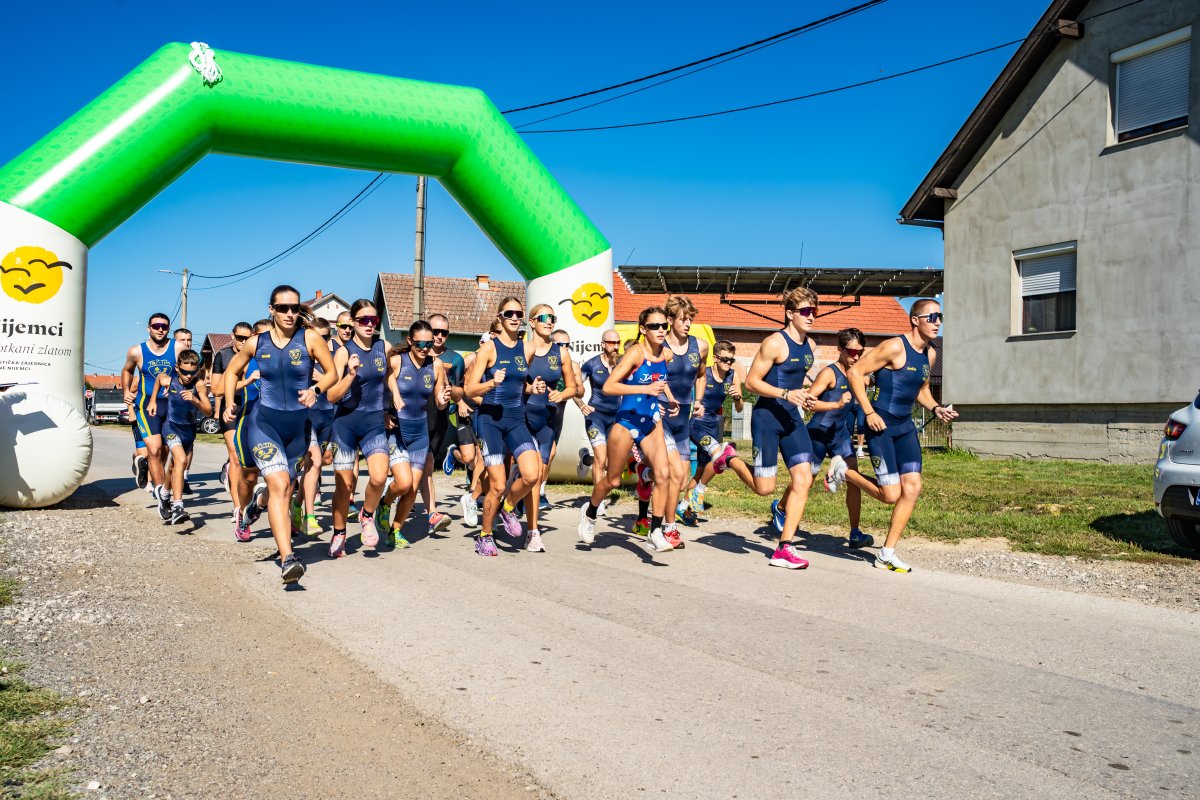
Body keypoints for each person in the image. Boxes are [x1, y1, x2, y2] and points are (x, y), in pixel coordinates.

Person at [827, 300, 957, 573]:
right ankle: (843, 470)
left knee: (912, 488)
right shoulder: (894, 347)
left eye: (940, 316)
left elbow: (921, 389)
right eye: (931, 316)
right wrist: (868, 411)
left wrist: (935, 407)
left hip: (905, 426)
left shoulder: (930, 354)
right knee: (889, 495)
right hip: (880, 425)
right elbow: (855, 372)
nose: (937, 322)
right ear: (914, 320)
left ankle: (886, 553)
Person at [222, 286, 337, 584]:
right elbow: (231, 372)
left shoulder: (310, 337)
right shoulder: (255, 343)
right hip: (265, 425)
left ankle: (253, 509)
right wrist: (231, 401)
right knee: (280, 483)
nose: (289, 314)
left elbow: (332, 372)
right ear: (271, 309)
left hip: (297, 430)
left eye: (294, 308)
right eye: (283, 308)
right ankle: (288, 558)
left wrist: (316, 390)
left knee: (280, 491)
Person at [577, 307, 680, 553]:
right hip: (625, 423)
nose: (661, 330)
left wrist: (671, 398)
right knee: (612, 479)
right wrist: (645, 390)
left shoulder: (666, 353)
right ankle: (590, 512)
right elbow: (610, 387)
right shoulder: (635, 353)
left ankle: (655, 530)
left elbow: (659, 380)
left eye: (664, 325)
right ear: (643, 329)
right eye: (654, 326)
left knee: (664, 474)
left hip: (652, 421)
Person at [743, 287, 821, 570]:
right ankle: (729, 459)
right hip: (767, 418)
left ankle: (784, 547)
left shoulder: (811, 346)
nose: (811, 316)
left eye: (815, 311)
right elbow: (751, 382)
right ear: (790, 314)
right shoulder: (774, 343)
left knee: (804, 479)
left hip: (791, 417)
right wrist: (786, 393)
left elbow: (799, 378)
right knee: (765, 488)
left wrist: (807, 393)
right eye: (805, 311)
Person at [464, 297, 543, 556]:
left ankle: (508, 507)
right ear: (500, 317)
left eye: (518, 313)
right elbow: (469, 388)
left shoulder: (527, 348)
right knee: (497, 484)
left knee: (533, 474)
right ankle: (485, 535)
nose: (514, 317)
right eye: (509, 313)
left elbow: (520, 383)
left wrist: (533, 388)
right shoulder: (488, 349)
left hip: (516, 419)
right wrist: (490, 384)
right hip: (490, 421)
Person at [325, 300, 390, 557]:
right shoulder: (343, 352)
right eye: (363, 320)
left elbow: (395, 373)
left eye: (374, 320)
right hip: (345, 424)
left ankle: (367, 514)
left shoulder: (382, 347)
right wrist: (350, 374)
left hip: (374, 422)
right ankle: (339, 532)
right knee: (345, 484)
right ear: (352, 322)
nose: (369, 324)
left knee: (379, 476)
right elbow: (331, 396)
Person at [381, 320, 451, 546]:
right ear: (410, 341)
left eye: (428, 343)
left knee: (412, 487)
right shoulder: (396, 362)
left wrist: (442, 401)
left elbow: (440, 402)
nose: (424, 347)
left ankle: (396, 529)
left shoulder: (437, 365)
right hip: (398, 431)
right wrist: (384, 414)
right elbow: (376, 391)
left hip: (420, 432)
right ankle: (384, 503)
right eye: (419, 342)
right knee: (402, 483)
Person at [805, 328, 871, 548]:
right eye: (851, 352)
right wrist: (837, 404)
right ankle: (782, 509)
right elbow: (809, 402)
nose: (856, 356)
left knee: (854, 478)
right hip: (818, 432)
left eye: (860, 352)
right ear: (840, 349)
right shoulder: (829, 373)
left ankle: (855, 532)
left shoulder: (859, 375)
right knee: (805, 481)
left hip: (840, 435)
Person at [521, 307, 577, 551]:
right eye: (544, 318)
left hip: (548, 420)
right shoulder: (523, 349)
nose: (549, 322)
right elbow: (511, 382)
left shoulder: (561, 353)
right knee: (524, 475)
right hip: (521, 417)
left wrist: (561, 393)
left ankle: (532, 531)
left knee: (537, 475)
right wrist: (528, 389)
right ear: (532, 322)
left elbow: (573, 388)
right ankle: (508, 506)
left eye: (552, 318)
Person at [684, 340, 756, 514]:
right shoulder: (703, 374)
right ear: (715, 358)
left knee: (702, 471)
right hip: (697, 423)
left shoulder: (733, 376)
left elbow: (739, 408)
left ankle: (682, 508)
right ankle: (699, 491)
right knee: (719, 456)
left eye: (732, 360)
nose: (729, 363)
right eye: (725, 359)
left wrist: (738, 398)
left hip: (715, 425)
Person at [661, 296, 707, 543]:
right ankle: (668, 528)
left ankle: (662, 520)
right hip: (661, 414)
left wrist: (698, 401)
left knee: (679, 481)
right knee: (672, 473)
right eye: (683, 319)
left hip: (684, 417)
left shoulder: (699, 346)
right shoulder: (660, 346)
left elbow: (701, 376)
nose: (688, 324)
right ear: (670, 320)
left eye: (691, 319)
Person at [147, 348, 211, 525]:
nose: (188, 376)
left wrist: (196, 400)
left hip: (189, 431)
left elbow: (209, 411)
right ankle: (178, 507)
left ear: (197, 370)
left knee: (174, 465)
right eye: (184, 372)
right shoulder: (171, 381)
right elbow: (159, 378)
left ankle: (165, 494)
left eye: (192, 372)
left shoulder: (199, 385)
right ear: (177, 368)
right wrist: (153, 400)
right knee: (181, 460)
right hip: (171, 427)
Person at [121, 313, 177, 510]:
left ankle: (157, 481)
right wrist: (127, 392)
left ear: (168, 329)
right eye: (156, 326)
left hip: (171, 407)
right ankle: (163, 497)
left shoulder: (177, 347)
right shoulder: (137, 351)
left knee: (165, 451)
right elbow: (127, 370)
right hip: (147, 407)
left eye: (164, 326)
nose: (160, 329)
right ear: (149, 328)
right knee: (153, 450)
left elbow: (192, 369)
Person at [212, 321, 259, 536]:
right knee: (236, 458)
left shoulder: (257, 353)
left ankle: (242, 492)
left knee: (249, 461)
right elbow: (217, 388)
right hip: (231, 410)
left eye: (247, 338)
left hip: (252, 409)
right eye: (240, 338)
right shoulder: (223, 356)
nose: (243, 342)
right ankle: (238, 507)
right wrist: (246, 381)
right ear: (233, 336)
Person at [419, 312, 462, 535]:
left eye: (443, 332)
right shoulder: (413, 354)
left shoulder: (456, 359)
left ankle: (432, 513)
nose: (438, 336)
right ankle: (389, 499)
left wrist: (451, 392)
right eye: (435, 331)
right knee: (410, 473)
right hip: (414, 418)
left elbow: (460, 390)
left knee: (426, 467)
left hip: (440, 417)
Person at [299, 316, 338, 535]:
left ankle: (297, 503)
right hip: (306, 416)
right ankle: (310, 516)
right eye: (317, 337)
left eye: (325, 337)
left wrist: (322, 378)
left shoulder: (332, 357)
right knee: (313, 462)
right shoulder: (301, 355)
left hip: (327, 413)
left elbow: (339, 388)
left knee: (321, 461)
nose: (320, 341)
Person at [575, 329, 622, 505]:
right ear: (603, 344)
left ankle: (586, 460)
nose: (616, 346)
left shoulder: (622, 365)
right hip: (596, 417)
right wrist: (581, 405)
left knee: (611, 463)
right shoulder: (591, 365)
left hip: (616, 418)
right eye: (611, 343)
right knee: (601, 459)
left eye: (618, 342)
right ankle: (598, 501)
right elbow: (574, 387)